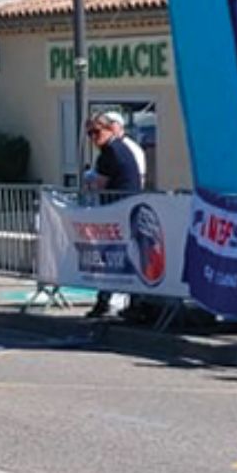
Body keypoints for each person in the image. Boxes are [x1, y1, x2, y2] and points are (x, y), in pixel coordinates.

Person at [81, 112, 146, 319]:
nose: (93, 137)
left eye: (97, 132)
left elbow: (99, 185)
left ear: (110, 129)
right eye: (90, 134)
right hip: (125, 210)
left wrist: (88, 182)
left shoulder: (110, 152)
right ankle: (131, 303)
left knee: (113, 258)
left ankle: (110, 302)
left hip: (118, 211)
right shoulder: (119, 147)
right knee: (123, 257)